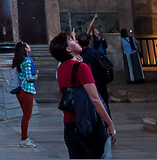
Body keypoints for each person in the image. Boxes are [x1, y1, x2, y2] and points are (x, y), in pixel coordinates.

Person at [50, 31, 116, 159]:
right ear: (68, 49)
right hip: (87, 124)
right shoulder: (81, 67)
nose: (77, 41)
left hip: (69, 125)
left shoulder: (61, 68)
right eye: (72, 40)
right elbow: (95, 99)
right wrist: (110, 123)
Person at [12, 41, 39, 148]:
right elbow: (29, 77)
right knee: (26, 116)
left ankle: (25, 137)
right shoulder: (27, 61)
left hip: (20, 91)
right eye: (27, 45)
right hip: (26, 90)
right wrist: (35, 76)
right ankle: (24, 139)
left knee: (25, 116)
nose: (29, 46)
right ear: (25, 49)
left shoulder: (18, 61)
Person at [77, 32, 110, 115]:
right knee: (104, 105)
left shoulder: (82, 57)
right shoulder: (97, 53)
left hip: (91, 84)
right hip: (101, 82)